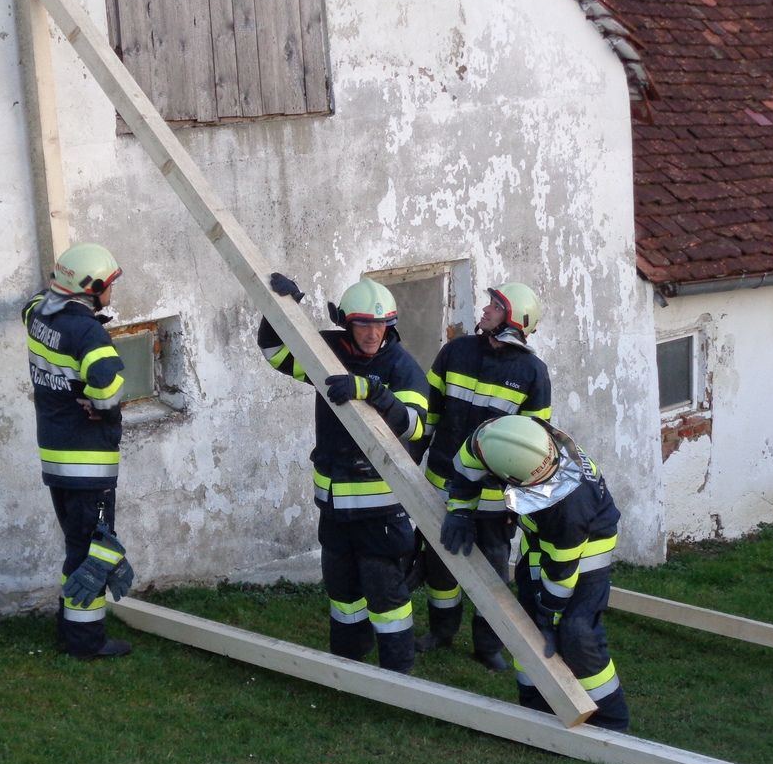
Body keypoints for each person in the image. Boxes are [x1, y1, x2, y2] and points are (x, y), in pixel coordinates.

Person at [259, 273, 430, 674]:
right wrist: (281, 309)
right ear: (345, 323)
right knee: (342, 591)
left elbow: (415, 427)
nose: (372, 334)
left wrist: (373, 393)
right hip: (334, 506)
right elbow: (276, 353)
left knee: (386, 595)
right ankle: (348, 665)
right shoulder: (328, 351)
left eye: (380, 325)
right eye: (364, 325)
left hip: (381, 511)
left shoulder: (401, 366)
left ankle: (398, 676)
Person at [440, 414, 630, 731]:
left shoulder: (568, 506)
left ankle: (612, 720)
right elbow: (465, 468)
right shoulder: (494, 439)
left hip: (587, 546)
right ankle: (536, 709)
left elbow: (560, 571)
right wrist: (460, 510)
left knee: (577, 630)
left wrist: (549, 616)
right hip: (542, 538)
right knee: (526, 627)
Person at [415, 281, 552, 670]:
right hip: (442, 484)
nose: (486, 309)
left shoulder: (532, 373)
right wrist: (412, 456)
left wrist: (517, 506)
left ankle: (489, 645)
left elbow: (533, 446)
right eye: (490, 303)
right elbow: (430, 414)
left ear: (515, 319)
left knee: (493, 572)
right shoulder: (455, 351)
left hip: (493, 501)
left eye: (496, 306)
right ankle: (441, 631)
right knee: (440, 563)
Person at [22, 242, 135, 660]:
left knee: (78, 544)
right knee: (93, 553)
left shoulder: (38, 315)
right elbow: (109, 389)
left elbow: (31, 304)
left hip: (56, 457)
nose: (112, 291)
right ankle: (86, 641)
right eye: (109, 285)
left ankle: (68, 628)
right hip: (89, 463)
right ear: (92, 289)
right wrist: (100, 405)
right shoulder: (88, 333)